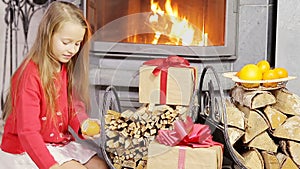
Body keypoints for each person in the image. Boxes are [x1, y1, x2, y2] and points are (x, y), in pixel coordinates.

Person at [0, 1, 108, 169]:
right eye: (66, 42)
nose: (72, 50)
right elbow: (28, 132)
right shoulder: (30, 75)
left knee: (101, 165)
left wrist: (84, 124)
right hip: (26, 148)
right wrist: (51, 166)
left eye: (77, 43)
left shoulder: (65, 67)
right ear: (48, 35)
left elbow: (73, 108)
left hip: (57, 142)